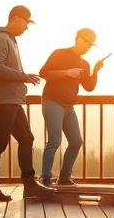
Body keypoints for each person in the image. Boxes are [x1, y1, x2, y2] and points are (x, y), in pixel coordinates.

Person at [0, 5, 58, 202]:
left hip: (12, 100)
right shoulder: (0, 39)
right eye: (26, 22)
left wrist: (21, 81)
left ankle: (29, 185)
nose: (26, 27)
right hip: (3, 101)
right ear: (16, 18)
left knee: (26, 138)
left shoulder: (10, 40)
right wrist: (23, 77)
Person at [38, 28, 106, 186]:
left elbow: (89, 87)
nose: (87, 47)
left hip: (69, 106)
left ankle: (64, 177)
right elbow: (44, 73)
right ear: (77, 38)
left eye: (90, 45)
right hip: (52, 101)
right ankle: (45, 177)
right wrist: (67, 72)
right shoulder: (60, 54)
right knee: (55, 140)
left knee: (76, 141)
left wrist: (95, 71)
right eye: (85, 42)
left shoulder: (84, 64)